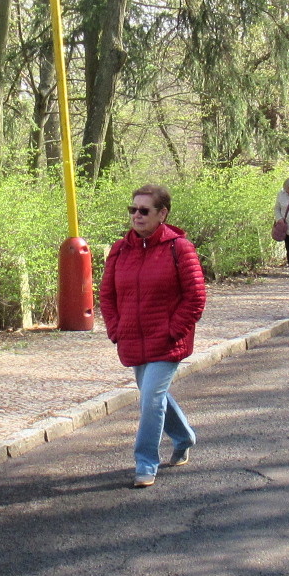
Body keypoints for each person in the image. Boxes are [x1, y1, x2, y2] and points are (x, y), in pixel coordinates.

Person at [99, 184, 207, 487]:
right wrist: (116, 328)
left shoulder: (179, 248)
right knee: (153, 395)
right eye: (133, 209)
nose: (136, 215)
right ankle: (184, 437)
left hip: (167, 341)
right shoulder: (120, 250)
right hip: (133, 338)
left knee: (150, 398)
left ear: (162, 214)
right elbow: (107, 295)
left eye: (144, 210)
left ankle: (145, 462)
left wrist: (174, 330)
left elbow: (195, 296)